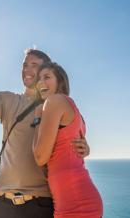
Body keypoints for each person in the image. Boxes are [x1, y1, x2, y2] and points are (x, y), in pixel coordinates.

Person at [0, 21, 90, 218]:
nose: (27, 69)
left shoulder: (56, 107)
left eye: (34, 65)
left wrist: (85, 147)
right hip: (2, 203)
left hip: (40, 205)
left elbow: (72, 142)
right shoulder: (8, 101)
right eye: (24, 65)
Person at [32, 62, 103, 218]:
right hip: (78, 199)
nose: (41, 82)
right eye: (39, 79)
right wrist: (87, 149)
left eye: (47, 77)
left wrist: (37, 118)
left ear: (60, 82)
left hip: (75, 204)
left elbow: (40, 157)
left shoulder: (54, 101)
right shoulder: (73, 108)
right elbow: (72, 142)